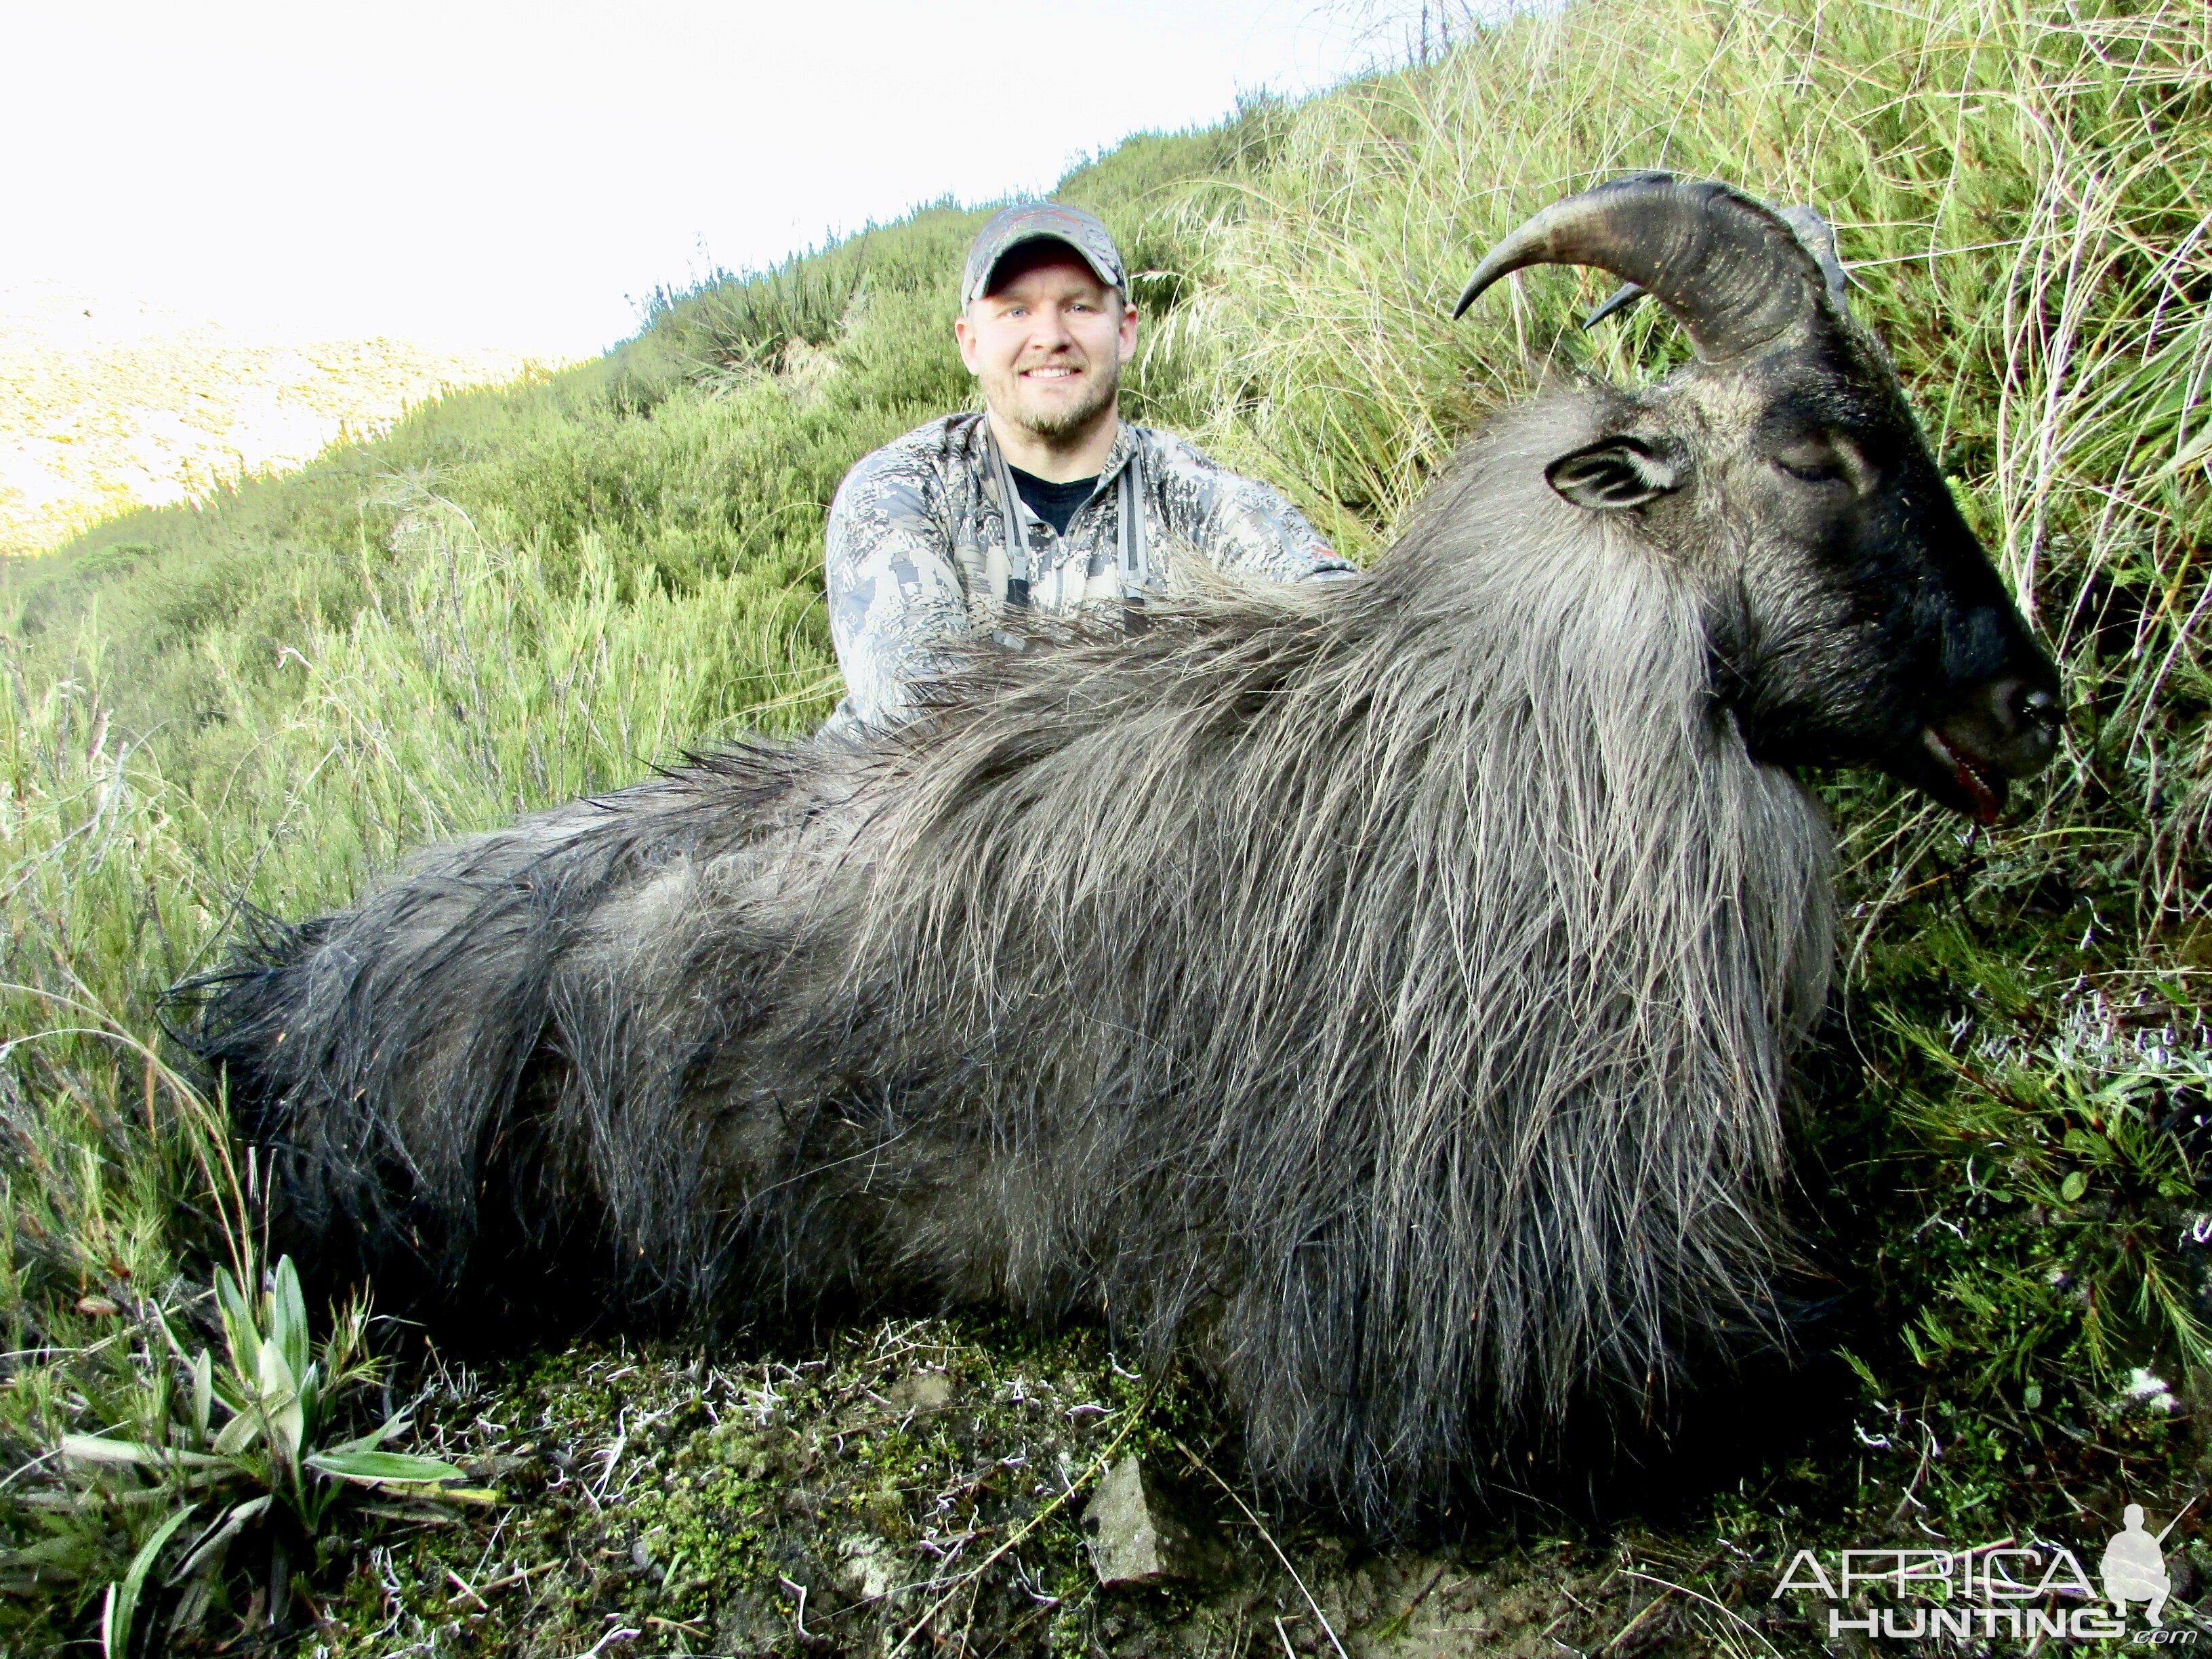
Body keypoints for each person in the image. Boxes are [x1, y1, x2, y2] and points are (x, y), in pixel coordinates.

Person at [822, 201, 1355, 731]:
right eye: (1015, 310)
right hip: (926, 812)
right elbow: (920, 715)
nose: (1050, 335)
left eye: (1078, 307)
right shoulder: (903, 491)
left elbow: (1339, 624)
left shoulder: (1196, 495)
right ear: (971, 343)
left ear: (1124, 332)